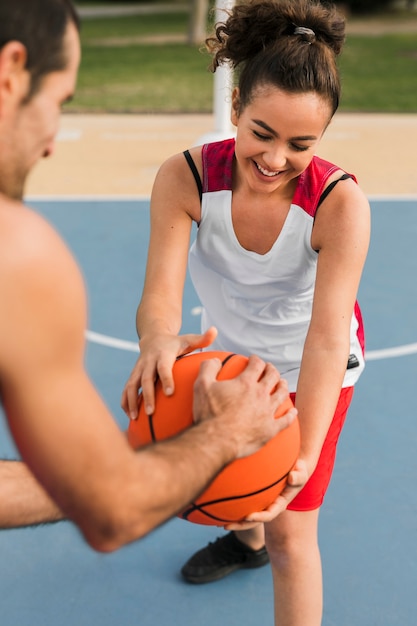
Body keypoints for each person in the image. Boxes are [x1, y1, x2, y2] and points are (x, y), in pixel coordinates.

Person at [0, 0, 297, 549]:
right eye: (60, 100)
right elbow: (112, 509)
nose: (51, 141)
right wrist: (225, 435)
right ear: (11, 72)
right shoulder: (15, 256)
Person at [121, 0, 370, 623]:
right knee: (237, 475)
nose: (276, 159)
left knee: (291, 534)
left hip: (314, 362)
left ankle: (263, 540)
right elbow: (160, 296)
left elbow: (325, 339)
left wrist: (303, 456)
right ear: (234, 110)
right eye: (261, 133)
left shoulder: (339, 206)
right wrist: (156, 338)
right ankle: (244, 537)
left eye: (301, 144)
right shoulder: (185, 179)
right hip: (234, 349)